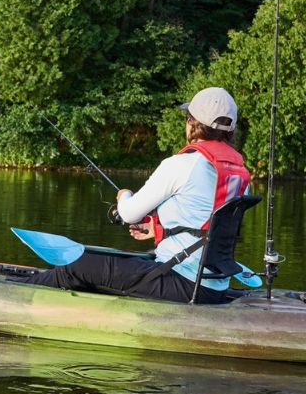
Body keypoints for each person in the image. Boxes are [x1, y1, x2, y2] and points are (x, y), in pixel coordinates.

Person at [21, 87, 250, 304]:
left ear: (193, 124)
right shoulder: (239, 174)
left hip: (180, 283)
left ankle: (16, 298)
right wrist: (158, 229)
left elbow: (129, 213)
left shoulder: (182, 165)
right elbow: (209, 226)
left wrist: (125, 195)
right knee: (106, 265)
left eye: (187, 119)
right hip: (212, 287)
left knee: (74, 265)